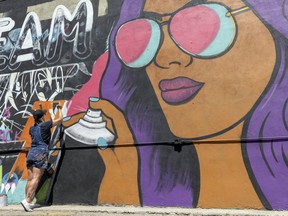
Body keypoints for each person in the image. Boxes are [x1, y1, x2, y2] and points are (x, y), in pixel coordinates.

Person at [64, 0, 288, 210]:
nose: (163, 57)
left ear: (273, 24)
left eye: (201, 23)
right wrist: (125, 184)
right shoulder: (137, 175)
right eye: (143, 35)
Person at [21, 106, 63, 212]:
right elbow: (60, 120)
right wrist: (60, 109)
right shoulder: (45, 125)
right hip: (40, 152)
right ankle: (27, 201)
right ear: (42, 117)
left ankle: (27, 201)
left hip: (31, 152)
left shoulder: (32, 128)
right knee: (36, 178)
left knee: (30, 179)